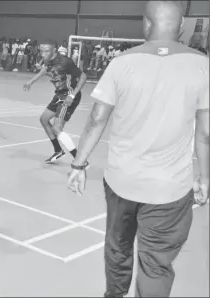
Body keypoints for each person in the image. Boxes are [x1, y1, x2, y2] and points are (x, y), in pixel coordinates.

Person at [67, 1, 209, 297]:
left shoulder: (121, 63)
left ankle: (114, 294)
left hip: (122, 184)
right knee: (156, 265)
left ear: (146, 24)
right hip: (169, 192)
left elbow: (96, 119)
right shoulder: (202, 65)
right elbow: (205, 134)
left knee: (118, 247)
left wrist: (78, 164)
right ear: (181, 27)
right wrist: (204, 178)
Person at [23, 39, 88, 164]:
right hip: (59, 94)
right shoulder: (48, 60)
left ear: (54, 50)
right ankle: (58, 151)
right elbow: (45, 70)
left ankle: (80, 160)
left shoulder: (65, 61)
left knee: (57, 128)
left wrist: (73, 95)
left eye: (46, 51)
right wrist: (31, 81)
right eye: (41, 51)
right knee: (44, 119)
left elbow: (83, 76)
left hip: (69, 96)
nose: (43, 54)